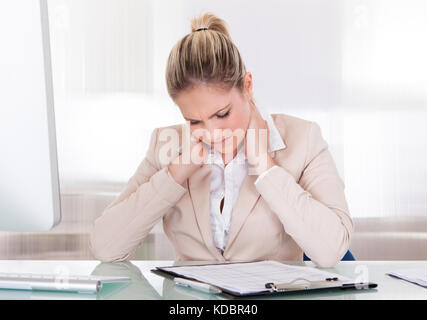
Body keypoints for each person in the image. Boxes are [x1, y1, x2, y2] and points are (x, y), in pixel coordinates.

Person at [89, 13, 353, 268]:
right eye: (194, 121)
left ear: (247, 86)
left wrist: (265, 166)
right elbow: (106, 246)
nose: (212, 133)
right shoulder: (165, 144)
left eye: (222, 114)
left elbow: (330, 251)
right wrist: (176, 173)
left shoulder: (303, 139)